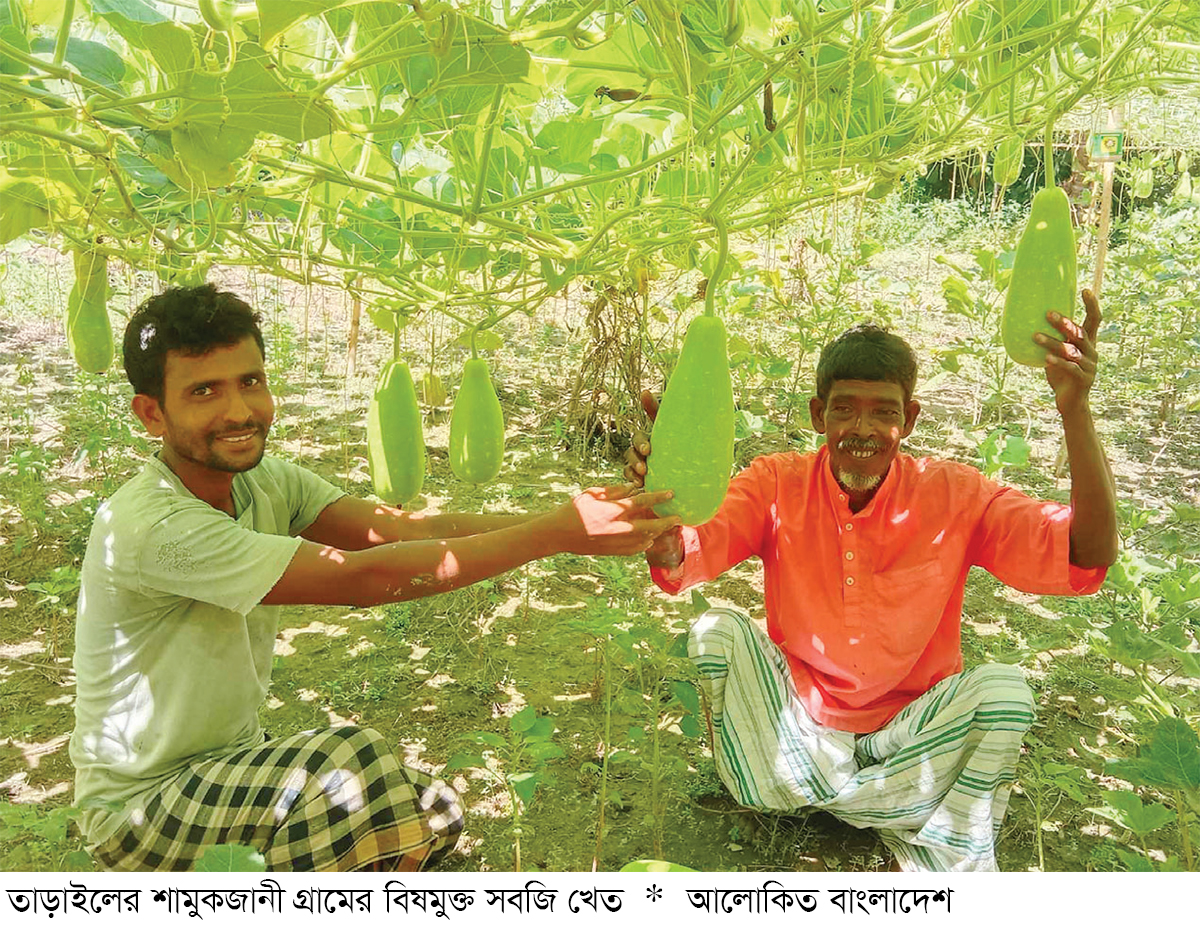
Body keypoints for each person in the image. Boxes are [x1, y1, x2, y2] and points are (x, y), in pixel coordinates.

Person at [70, 284, 679, 872]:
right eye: (204, 391)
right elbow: (363, 579)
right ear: (152, 413)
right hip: (141, 808)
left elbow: (402, 531)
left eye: (250, 381)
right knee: (349, 764)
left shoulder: (264, 480)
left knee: (432, 813)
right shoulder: (154, 525)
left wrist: (582, 520)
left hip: (232, 767)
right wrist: (558, 533)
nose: (239, 410)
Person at [623, 292, 1117, 872]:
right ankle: (894, 806)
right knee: (717, 633)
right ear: (818, 415)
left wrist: (1075, 409)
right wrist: (664, 507)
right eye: (844, 410)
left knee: (1005, 694)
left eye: (884, 412)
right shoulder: (776, 483)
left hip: (912, 727)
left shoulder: (956, 494)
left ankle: (826, 796)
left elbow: (1088, 551)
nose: (863, 429)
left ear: (909, 419)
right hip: (804, 720)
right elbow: (687, 549)